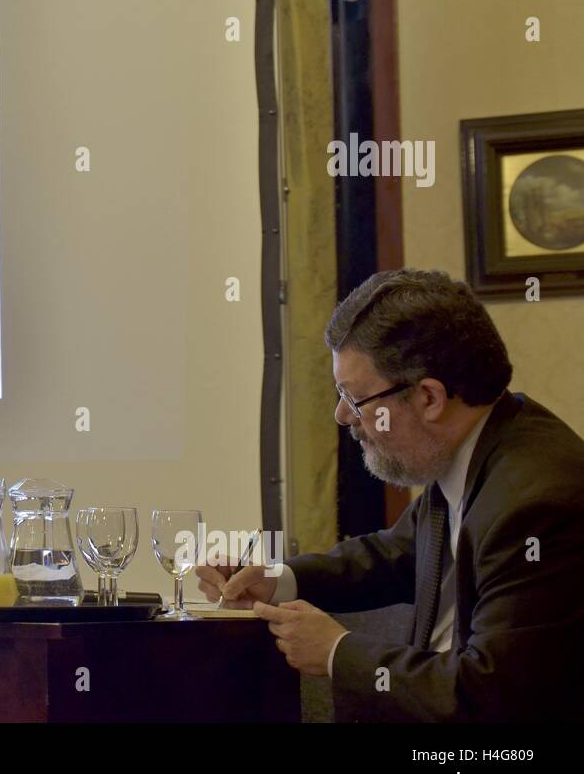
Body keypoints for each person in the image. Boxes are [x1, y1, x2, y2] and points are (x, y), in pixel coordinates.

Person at [197, 269, 584, 721]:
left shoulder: (537, 505)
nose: (343, 416)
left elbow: (492, 695)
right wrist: (277, 579)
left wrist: (338, 653)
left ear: (429, 398)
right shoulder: (480, 444)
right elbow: (400, 553)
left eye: (355, 397)